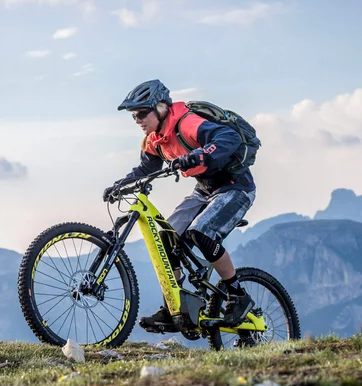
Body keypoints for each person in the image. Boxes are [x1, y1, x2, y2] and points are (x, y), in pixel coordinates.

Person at [107, 79, 256, 332]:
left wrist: (198, 155)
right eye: (134, 116)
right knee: (167, 238)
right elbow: (146, 168)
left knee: (201, 232)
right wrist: (120, 185)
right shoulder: (154, 139)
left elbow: (229, 138)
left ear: (161, 108)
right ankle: (173, 308)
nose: (138, 120)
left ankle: (237, 294)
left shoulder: (187, 123)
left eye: (142, 113)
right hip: (203, 190)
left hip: (235, 188)